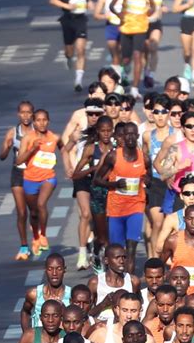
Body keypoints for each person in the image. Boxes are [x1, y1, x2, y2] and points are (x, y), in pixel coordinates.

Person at [94, 122, 150, 272]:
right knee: (117, 252)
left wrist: (147, 181)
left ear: (137, 136)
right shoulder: (113, 156)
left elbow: (149, 177)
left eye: (133, 134)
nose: (130, 137)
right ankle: (115, 282)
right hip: (116, 210)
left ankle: (129, 287)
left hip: (136, 207)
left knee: (131, 251)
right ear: (123, 137)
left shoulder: (144, 158)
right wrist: (114, 185)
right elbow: (97, 180)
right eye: (127, 134)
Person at [16, 109, 66, 256]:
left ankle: (43, 235)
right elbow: (19, 161)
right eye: (38, 120)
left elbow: (64, 148)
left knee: (41, 204)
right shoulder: (27, 138)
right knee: (33, 213)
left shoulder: (54, 137)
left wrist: (69, 165)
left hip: (48, 177)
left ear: (48, 121)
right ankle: (36, 237)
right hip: (30, 179)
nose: (42, 123)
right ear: (34, 121)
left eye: (44, 120)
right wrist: (32, 149)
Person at [71, 115, 114, 270]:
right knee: (90, 218)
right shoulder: (91, 148)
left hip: (108, 188)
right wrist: (93, 169)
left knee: (106, 229)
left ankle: (103, 256)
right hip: (88, 184)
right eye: (103, 131)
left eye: (109, 131)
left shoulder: (115, 149)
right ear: (98, 131)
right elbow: (75, 174)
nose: (106, 134)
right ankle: (89, 253)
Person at [49, 0, 93, 92]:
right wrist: (67, 5)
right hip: (68, 20)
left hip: (81, 20)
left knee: (81, 49)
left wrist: (91, 5)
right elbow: (52, 0)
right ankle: (68, 57)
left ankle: (78, 80)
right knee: (70, 50)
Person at [110, 0, 155, 99]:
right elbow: (112, 5)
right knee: (126, 58)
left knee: (137, 56)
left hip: (141, 28)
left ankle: (134, 88)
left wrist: (150, 11)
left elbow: (152, 5)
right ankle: (124, 72)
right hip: (126, 28)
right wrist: (119, 15)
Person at [0, 101, 34, 261]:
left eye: (29, 112)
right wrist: (6, 147)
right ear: (18, 114)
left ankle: (38, 237)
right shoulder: (13, 132)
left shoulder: (37, 131)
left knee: (35, 212)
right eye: (23, 112)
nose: (26, 116)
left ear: (33, 114)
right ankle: (24, 246)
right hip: (18, 174)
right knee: (21, 212)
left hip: (34, 175)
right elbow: (2, 156)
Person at [141, 94, 173, 255]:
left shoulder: (176, 134)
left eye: (164, 112)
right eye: (157, 112)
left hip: (173, 183)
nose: (160, 116)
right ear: (152, 113)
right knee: (157, 222)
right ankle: (153, 257)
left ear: (169, 114)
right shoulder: (147, 135)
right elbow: (144, 157)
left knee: (170, 224)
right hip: (155, 183)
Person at [156, 175, 194, 254]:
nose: (191, 197)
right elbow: (159, 247)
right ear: (181, 196)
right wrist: (175, 261)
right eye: (187, 193)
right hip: (179, 264)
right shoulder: (172, 219)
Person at [90, 291, 155, 343]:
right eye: (124, 310)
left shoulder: (148, 341)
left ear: (140, 312)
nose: (129, 316)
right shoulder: (101, 334)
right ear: (117, 310)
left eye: (133, 311)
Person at [88, 244, 140, 322]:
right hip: (101, 326)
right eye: (117, 258)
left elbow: (139, 308)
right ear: (106, 260)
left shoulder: (133, 281)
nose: (122, 261)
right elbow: (87, 314)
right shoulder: (96, 282)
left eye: (124, 257)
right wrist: (103, 304)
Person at [21, 253, 71, 331]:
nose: (54, 273)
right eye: (50, 269)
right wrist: (27, 334)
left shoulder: (71, 296)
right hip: (39, 342)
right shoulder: (34, 294)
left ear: (64, 270)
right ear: (45, 270)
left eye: (59, 269)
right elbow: (25, 312)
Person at [94, 0, 124, 71]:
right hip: (111, 26)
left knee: (122, 53)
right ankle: (118, 78)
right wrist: (104, 16)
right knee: (115, 53)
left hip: (125, 26)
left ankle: (123, 70)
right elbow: (96, 15)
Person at [143, 0, 166, 88]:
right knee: (145, 51)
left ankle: (151, 75)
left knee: (154, 47)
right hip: (142, 25)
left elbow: (161, 6)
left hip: (155, 24)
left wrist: (162, 9)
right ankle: (145, 71)